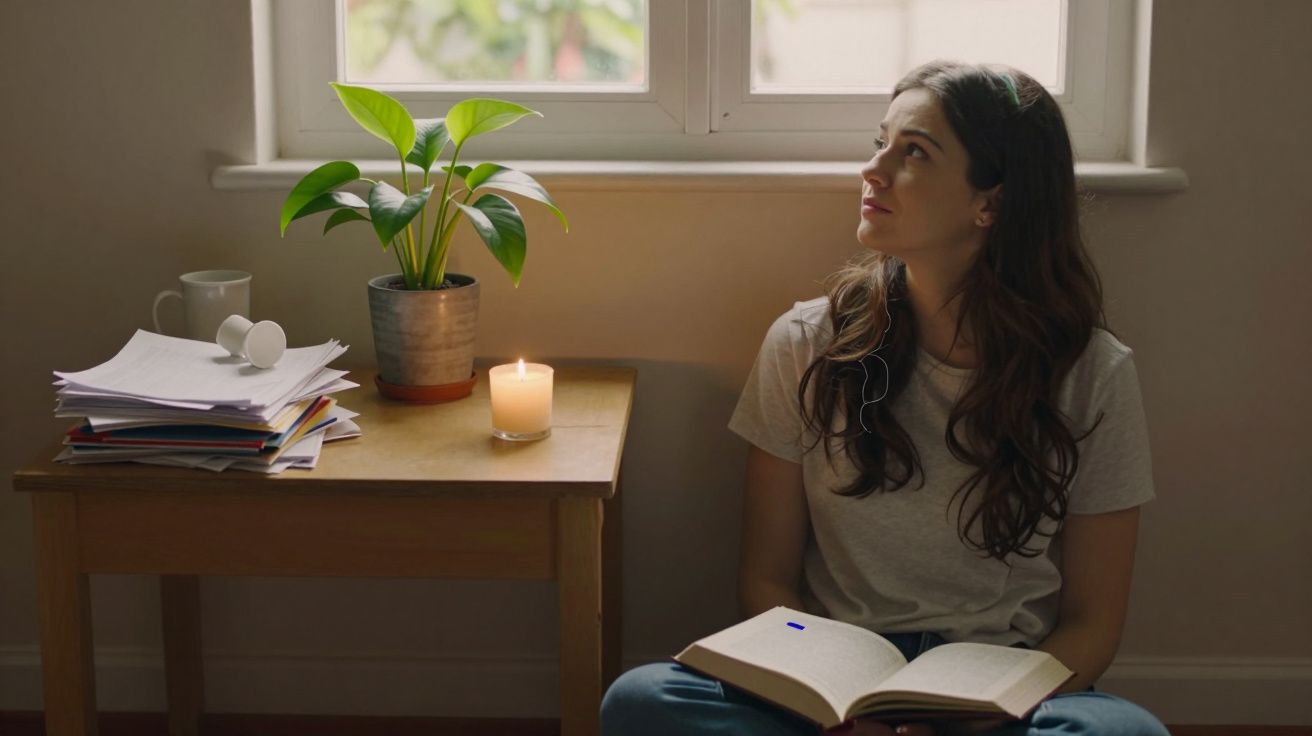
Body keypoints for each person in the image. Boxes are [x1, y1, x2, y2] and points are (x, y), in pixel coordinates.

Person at [599, 60, 1171, 736]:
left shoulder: (1091, 373)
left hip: (1003, 692)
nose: (874, 170)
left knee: (1124, 735)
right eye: (881, 142)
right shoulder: (807, 344)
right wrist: (838, 711)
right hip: (830, 682)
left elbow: (1092, 626)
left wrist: (973, 719)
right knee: (642, 701)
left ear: (991, 202)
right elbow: (767, 581)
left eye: (915, 153)